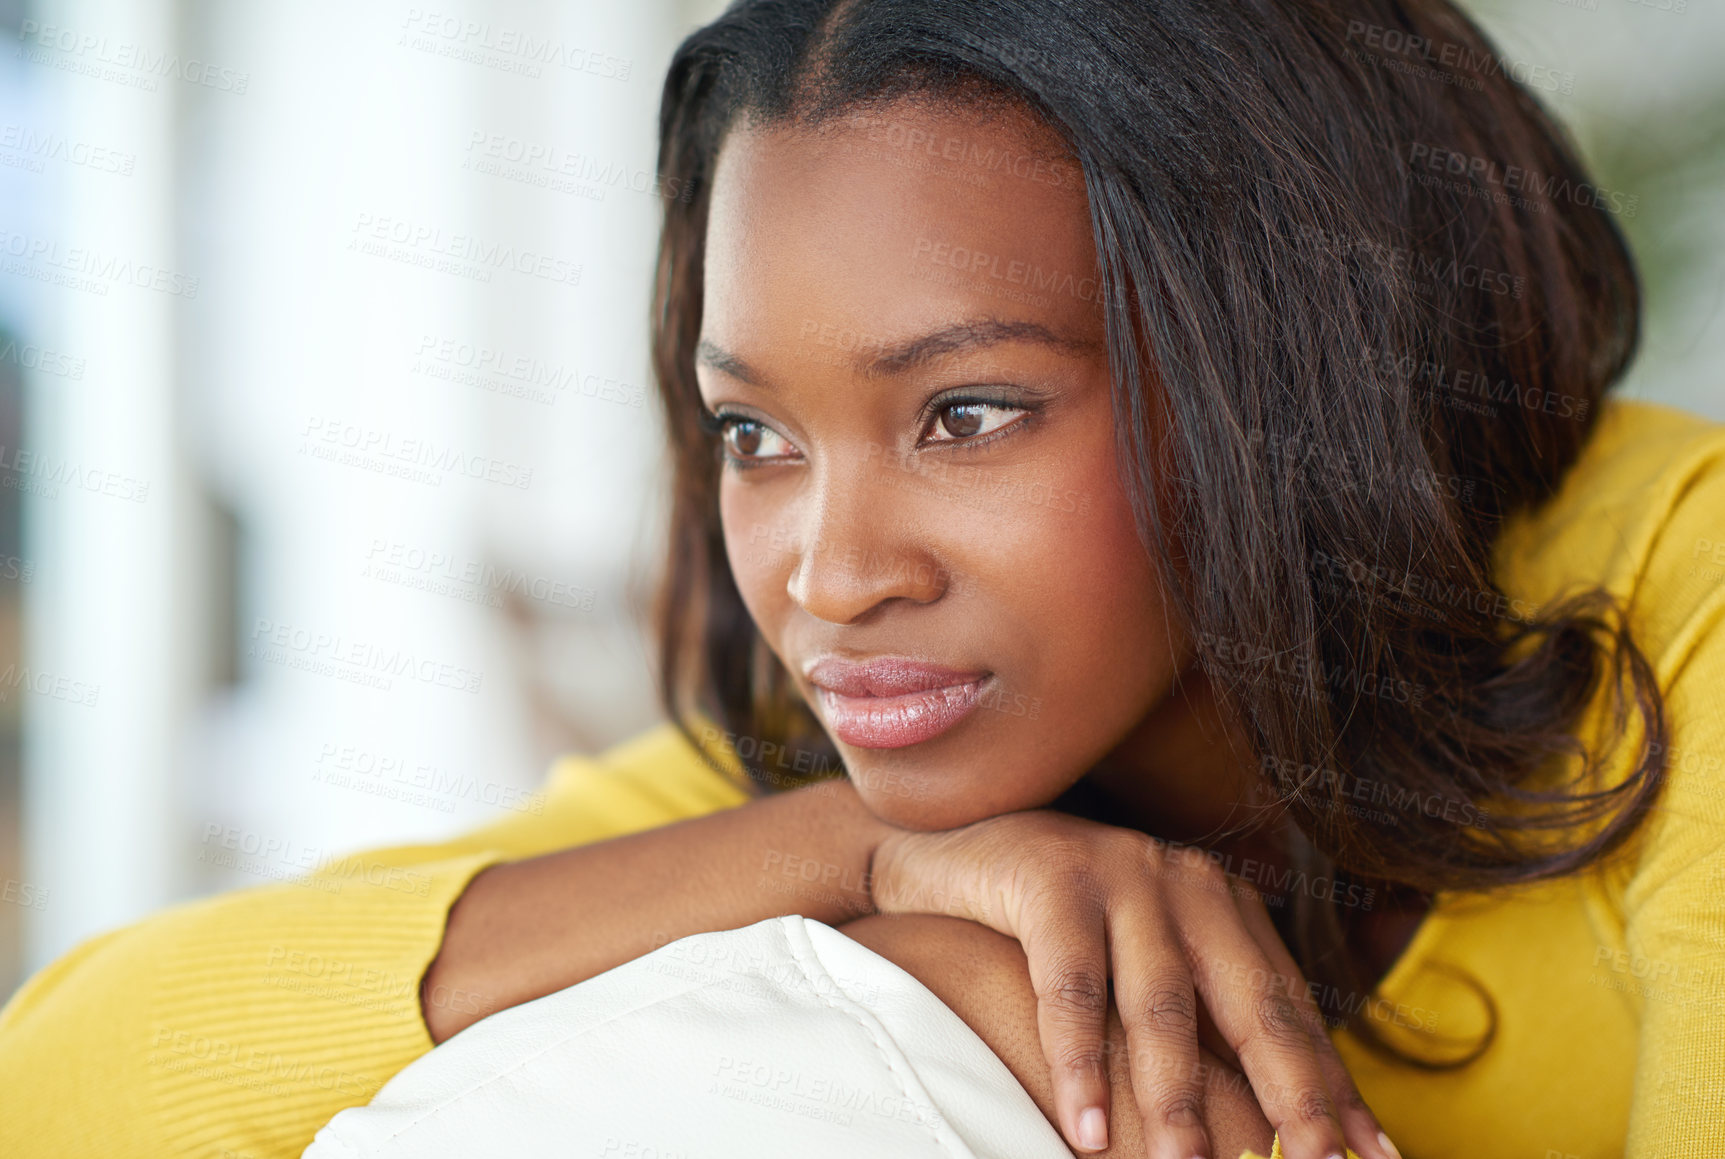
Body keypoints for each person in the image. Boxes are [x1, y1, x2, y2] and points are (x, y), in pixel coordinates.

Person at [4, 0, 1722, 1156]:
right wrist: (866, 865)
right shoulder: (883, 769)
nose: (830, 577)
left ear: (1290, 365)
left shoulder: (1684, 597)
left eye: (966, 413)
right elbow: (60, 1082)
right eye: (755, 435)